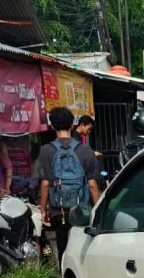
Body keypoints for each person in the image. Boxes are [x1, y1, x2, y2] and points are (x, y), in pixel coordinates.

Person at [38, 106, 100, 261]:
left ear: (52, 126)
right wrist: (98, 208)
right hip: (81, 208)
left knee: (63, 247)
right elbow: (92, 184)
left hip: (59, 209)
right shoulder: (85, 150)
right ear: (72, 125)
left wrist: (43, 210)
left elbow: (45, 183)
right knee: (81, 246)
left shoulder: (46, 150)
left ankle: (65, 277)